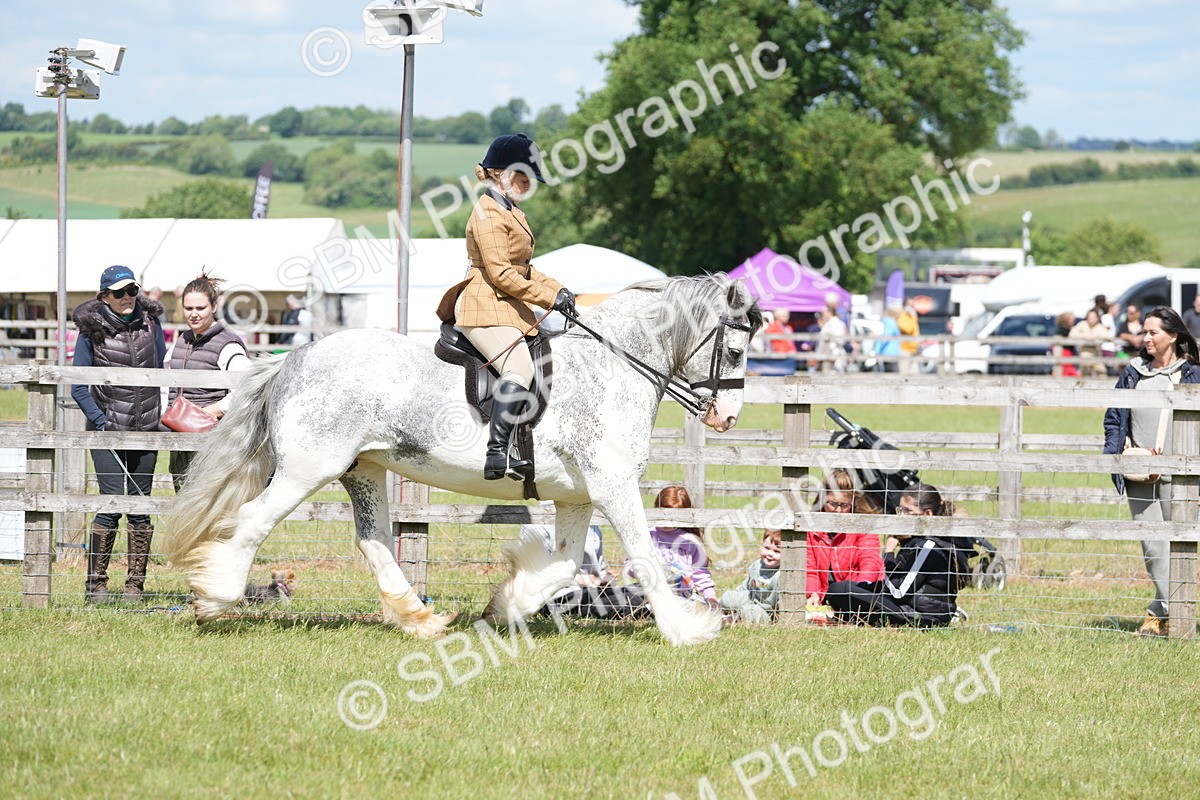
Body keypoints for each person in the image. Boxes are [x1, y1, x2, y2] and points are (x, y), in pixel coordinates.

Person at [435, 133, 577, 481]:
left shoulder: (511, 211)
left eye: (529, 180)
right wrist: (547, 299)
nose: (526, 185)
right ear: (498, 173)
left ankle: (520, 444)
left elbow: (524, 269)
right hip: (483, 306)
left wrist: (559, 290)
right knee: (519, 371)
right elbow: (500, 274)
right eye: (521, 177)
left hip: (507, 308)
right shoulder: (487, 215)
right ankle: (497, 453)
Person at [70, 265, 167, 604]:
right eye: (119, 292)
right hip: (108, 431)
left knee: (140, 507)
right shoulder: (90, 332)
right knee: (110, 504)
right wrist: (101, 422)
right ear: (104, 296)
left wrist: (159, 415)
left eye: (131, 291)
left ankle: (134, 588)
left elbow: (160, 371)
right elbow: (78, 386)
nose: (127, 298)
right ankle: (95, 586)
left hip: (147, 428)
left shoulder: (151, 325)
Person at [1102, 306, 1200, 637]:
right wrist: (1121, 451)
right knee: (1152, 545)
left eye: (1153, 332)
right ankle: (1173, 610)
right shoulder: (1132, 373)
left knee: (1180, 546)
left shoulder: (1192, 374)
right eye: (1144, 332)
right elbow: (1115, 417)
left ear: (1173, 335)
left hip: (1183, 474)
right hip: (1139, 471)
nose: (1145, 338)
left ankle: (1161, 612)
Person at [825, 482, 962, 628]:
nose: (901, 516)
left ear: (927, 514)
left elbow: (898, 592)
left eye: (907, 511)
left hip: (921, 617)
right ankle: (849, 617)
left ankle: (851, 617)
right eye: (900, 510)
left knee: (841, 590)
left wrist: (889, 553)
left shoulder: (929, 546)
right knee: (849, 587)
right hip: (907, 605)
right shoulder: (915, 540)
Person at [163, 271, 252, 491]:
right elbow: (166, 385)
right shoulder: (181, 342)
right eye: (188, 308)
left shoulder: (228, 345)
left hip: (214, 442)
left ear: (214, 306)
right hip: (180, 440)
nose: (193, 314)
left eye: (200, 308)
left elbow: (247, 390)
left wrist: (209, 411)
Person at [620, 486, 718, 608]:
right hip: (648, 592)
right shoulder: (647, 535)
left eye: (672, 517)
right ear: (656, 509)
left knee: (698, 607)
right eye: (663, 514)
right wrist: (643, 571)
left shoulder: (690, 541)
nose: (667, 521)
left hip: (681, 595)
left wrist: (711, 598)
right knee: (621, 598)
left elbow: (701, 574)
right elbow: (629, 563)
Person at [804, 469, 885, 608]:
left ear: (853, 501)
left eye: (844, 505)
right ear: (823, 499)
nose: (838, 511)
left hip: (856, 590)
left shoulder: (864, 523)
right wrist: (813, 593)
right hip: (824, 596)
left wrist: (858, 591)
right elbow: (810, 569)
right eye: (833, 504)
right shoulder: (812, 528)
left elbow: (869, 561)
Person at [719, 529, 780, 623]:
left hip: (767, 611)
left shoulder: (781, 575)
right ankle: (715, 607)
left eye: (776, 551)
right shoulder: (757, 565)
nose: (770, 554)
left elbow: (778, 603)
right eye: (766, 548)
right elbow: (745, 586)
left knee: (752, 613)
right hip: (751, 599)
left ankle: (733, 618)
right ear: (761, 544)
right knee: (727, 598)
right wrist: (735, 596)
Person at [1069, 309, 1110, 378]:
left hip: (1096, 354)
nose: (1091, 318)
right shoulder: (1082, 324)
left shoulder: (1099, 326)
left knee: (1102, 374)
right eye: (1090, 316)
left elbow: (1108, 336)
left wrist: (1096, 337)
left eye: (1093, 317)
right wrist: (1084, 336)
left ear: (1097, 318)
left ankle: (1102, 388)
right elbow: (1072, 334)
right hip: (1085, 353)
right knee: (1084, 374)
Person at [876, 303, 903, 373]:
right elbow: (886, 337)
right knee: (892, 376)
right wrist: (877, 350)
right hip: (890, 353)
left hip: (889, 352)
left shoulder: (888, 321)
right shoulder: (890, 322)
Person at [897, 302, 920, 374]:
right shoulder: (902, 317)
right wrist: (913, 318)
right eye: (909, 305)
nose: (911, 307)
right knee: (904, 373)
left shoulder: (912, 317)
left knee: (914, 374)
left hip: (914, 349)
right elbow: (908, 330)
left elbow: (916, 332)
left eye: (912, 305)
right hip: (905, 349)